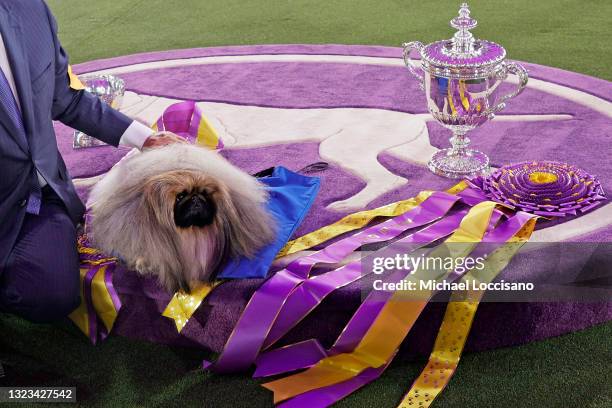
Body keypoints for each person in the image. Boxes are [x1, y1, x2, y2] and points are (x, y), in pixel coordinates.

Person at [0, 0, 184, 325]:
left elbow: (66, 97)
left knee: (53, 293)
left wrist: (144, 138)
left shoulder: (29, 9)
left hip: (36, 200)